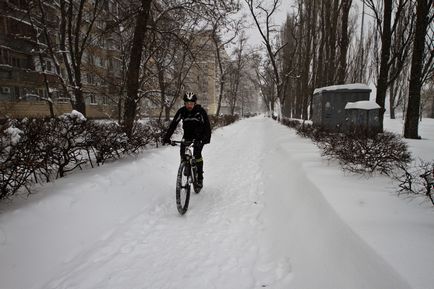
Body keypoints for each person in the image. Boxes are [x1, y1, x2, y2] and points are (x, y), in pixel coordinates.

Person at [163, 92, 211, 188]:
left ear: (195, 103)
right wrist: (167, 138)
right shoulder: (182, 111)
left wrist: (205, 139)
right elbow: (173, 125)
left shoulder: (200, 111)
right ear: (184, 103)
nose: (189, 105)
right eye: (187, 103)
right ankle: (185, 165)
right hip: (187, 135)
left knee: (197, 155)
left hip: (199, 136)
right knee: (182, 149)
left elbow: (207, 126)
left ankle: (200, 177)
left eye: (191, 103)